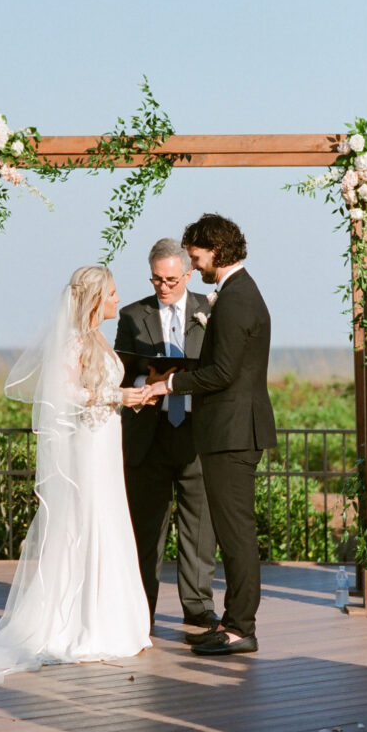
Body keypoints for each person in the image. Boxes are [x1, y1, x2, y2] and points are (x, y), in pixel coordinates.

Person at [0, 266, 151, 686]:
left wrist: (128, 397)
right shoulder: (73, 340)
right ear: (95, 299)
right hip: (88, 448)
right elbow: (63, 393)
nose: (117, 300)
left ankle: (113, 617)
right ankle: (84, 622)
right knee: (89, 519)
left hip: (105, 440)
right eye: (111, 294)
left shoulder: (95, 338)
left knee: (109, 518)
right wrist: (118, 394)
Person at [144, 213, 276, 656]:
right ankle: (235, 621)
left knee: (235, 532)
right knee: (231, 529)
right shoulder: (237, 293)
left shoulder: (237, 299)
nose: (193, 263)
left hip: (233, 433)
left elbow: (222, 372)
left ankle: (241, 628)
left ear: (214, 250)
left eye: (196, 255)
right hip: (229, 430)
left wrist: (170, 384)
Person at [114, 238, 217, 628]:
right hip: (148, 434)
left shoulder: (210, 310)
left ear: (188, 275)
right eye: (157, 279)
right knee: (146, 529)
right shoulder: (131, 315)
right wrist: (148, 378)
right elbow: (120, 372)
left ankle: (197, 607)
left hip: (195, 432)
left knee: (199, 526)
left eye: (172, 279)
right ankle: (142, 611)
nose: (164, 287)